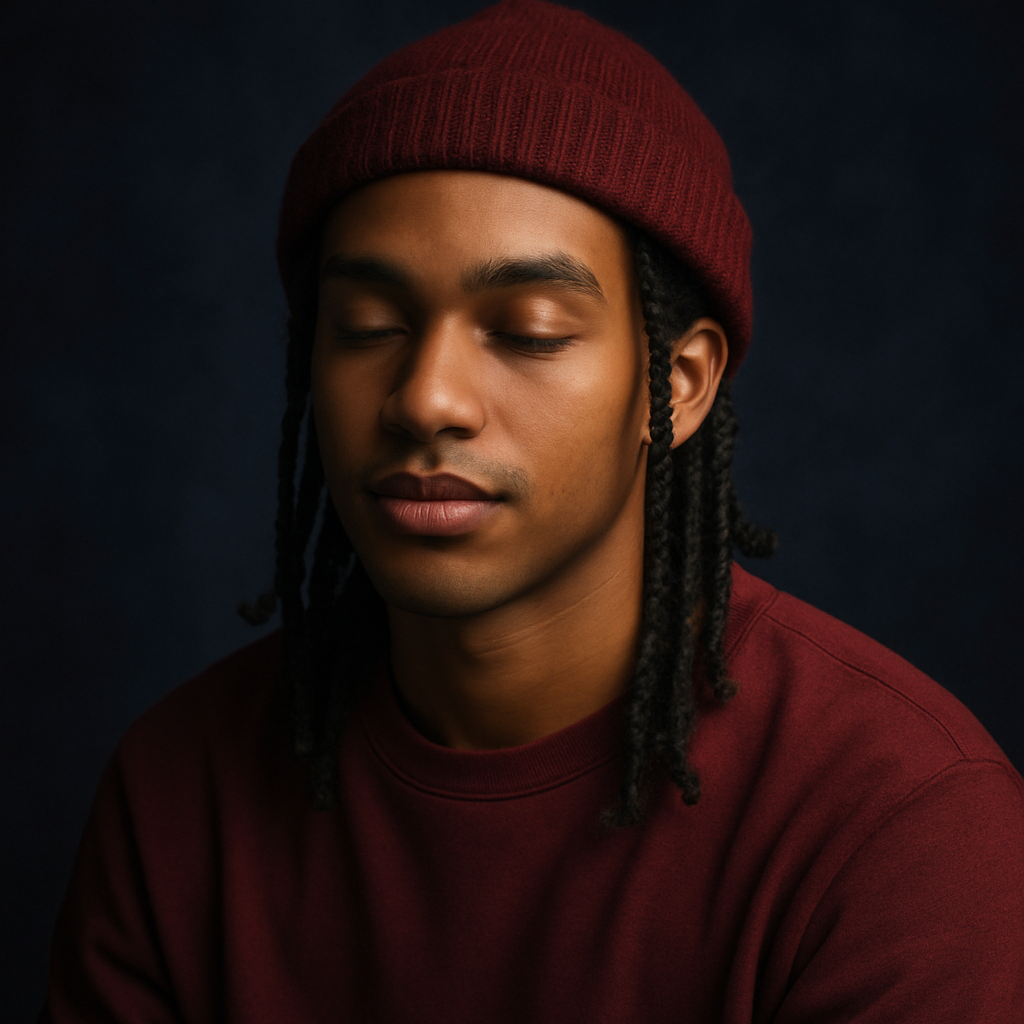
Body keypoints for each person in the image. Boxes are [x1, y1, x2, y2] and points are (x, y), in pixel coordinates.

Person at [40, 1, 1024, 1021]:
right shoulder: (177, 789)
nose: (427, 398)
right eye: (367, 324)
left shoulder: (904, 826)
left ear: (680, 383)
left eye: (529, 330)